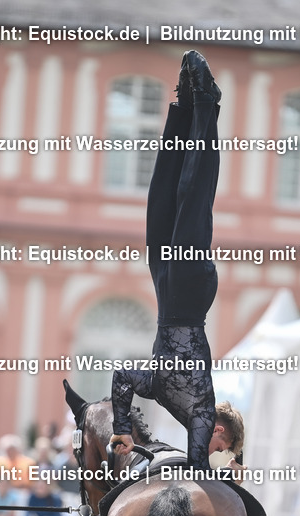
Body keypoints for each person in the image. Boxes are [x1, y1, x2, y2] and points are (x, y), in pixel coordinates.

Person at [109, 50, 223, 471]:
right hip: (191, 292)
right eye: (220, 444)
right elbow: (198, 471)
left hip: (165, 292)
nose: (213, 445)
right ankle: (207, 105)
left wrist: (122, 426)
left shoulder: (159, 388)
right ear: (222, 432)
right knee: (193, 194)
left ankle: (183, 109)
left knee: (160, 202)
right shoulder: (203, 412)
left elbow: (123, 377)